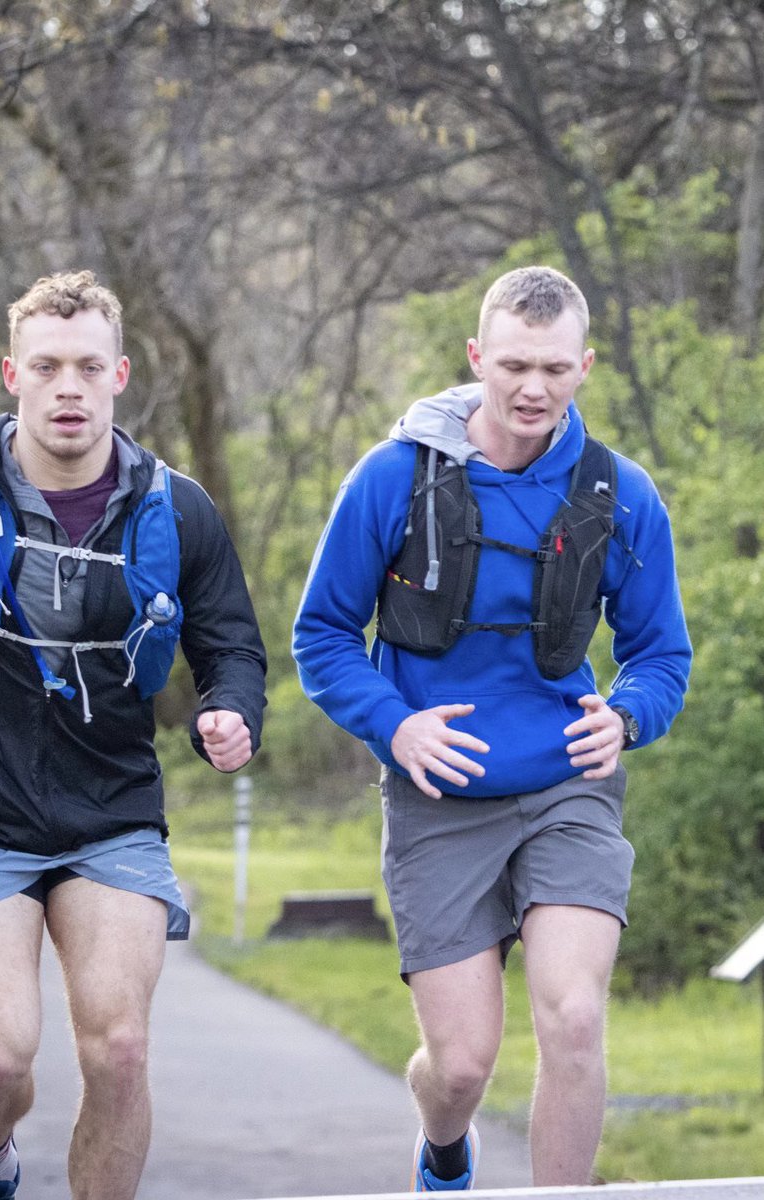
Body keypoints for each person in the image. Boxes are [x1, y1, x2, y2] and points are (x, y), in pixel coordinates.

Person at [0, 269, 267, 1200]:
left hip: (113, 813)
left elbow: (233, 644)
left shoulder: (178, 508)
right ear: (11, 375)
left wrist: (232, 709)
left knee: (120, 1047)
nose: (69, 387)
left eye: (88, 367)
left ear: (121, 376)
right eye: (47, 366)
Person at [293, 266, 691, 1191]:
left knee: (574, 1016)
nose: (532, 388)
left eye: (554, 369)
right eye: (513, 364)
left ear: (584, 366)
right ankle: (444, 1151)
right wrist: (396, 728)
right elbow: (322, 638)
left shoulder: (621, 495)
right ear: (477, 358)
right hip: (440, 797)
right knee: (462, 1066)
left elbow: (662, 657)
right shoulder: (393, 479)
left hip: (567, 788)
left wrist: (627, 717)